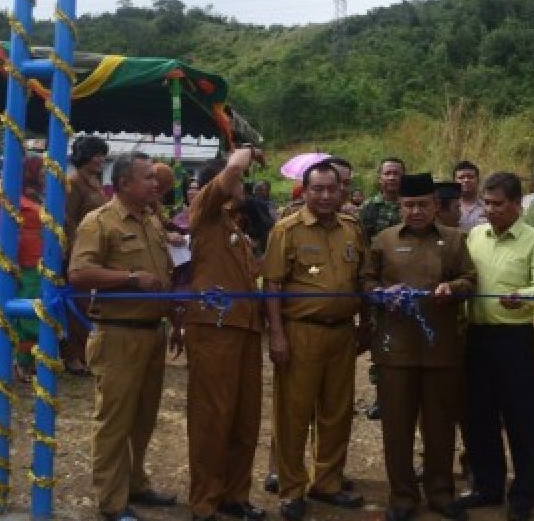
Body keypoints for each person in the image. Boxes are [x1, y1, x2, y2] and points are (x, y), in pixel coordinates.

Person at [68, 152, 179, 521]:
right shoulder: (99, 222)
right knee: (114, 421)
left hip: (153, 333)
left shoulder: (151, 219)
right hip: (118, 335)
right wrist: (130, 279)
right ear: (125, 183)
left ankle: (137, 483)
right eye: (148, 178)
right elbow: (80, 273)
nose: (155, 184)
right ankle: (112, 502)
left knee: (143, 418)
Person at [361, 173, 477, 521]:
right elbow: (365, 281)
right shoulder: (383, 240)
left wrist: (452, 288)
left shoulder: (455, 240)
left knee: (440, 425)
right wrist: (380, 295)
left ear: (434, 205)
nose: (416, 211)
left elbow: (471, 280)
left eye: (422, 204)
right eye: (409, 205)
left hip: (441, 348)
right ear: (400, 206)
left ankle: (441, 492)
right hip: (395, 349)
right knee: (397, 427)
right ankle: (402, 496)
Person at [263, 161, 369, 521]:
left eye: (331, 189)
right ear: (305, 191)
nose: (325, 196)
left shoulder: (353, 228)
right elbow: (272, 285)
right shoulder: (286, 230)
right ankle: (292, 489)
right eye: (317, 189)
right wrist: (276, 335)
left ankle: (327, 481)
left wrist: (365, 326)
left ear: (342, 190)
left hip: (342, 333)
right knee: (294, 412)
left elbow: (363, 280)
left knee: (337, 412)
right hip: (299, 332)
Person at [175, 147, 267, 521]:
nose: (241, 185)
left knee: (245, 418)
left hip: (245, 329)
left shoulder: (238, 229)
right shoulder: (206, 214)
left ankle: (235, 495)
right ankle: (206, 502)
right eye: (238, 181)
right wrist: (245, 152)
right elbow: (230, 173)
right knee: (212, 417)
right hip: (213, 329)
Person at [455, 172, 534, 521]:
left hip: (514, 340)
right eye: (487, 203)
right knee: (478, 416)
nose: (489, 210)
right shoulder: (475, 236)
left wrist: (522, 297)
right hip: (476, 338)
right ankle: (487, 486)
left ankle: (523, 495)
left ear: (515, 204)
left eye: (497, 204)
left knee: (520, 418)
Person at [64, 135, 110, 376]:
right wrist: (75, 251)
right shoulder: (73, 183)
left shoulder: (94, 182)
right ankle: (72, 356)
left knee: (88, 307)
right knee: (77, 306)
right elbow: (68, 220)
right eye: (96, 154)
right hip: (78, 254)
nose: (101, 159)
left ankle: (83, 353)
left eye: (103, 154)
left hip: (95, 252)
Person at [14, 155, 45, 382]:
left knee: (40, 312)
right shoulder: (16, 197)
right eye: (41, 170)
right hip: (27, 262)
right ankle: (22, 362)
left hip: (45, 262)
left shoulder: (43, 196)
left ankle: (30, 360)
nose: (46, 174)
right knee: (28, 315)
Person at [360, 157, 406, 240]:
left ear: (404, 177)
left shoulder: (412, 205)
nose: (391, 178)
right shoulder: (367, 207)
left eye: (396, 174)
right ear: (379, 178)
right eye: (387, 173)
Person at [453, 161, 487, 232]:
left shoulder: (487, 206)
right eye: (461, 177)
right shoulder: (447, 208)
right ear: (454, 182)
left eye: (470, 177)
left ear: (478, 180)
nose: (466, 180)